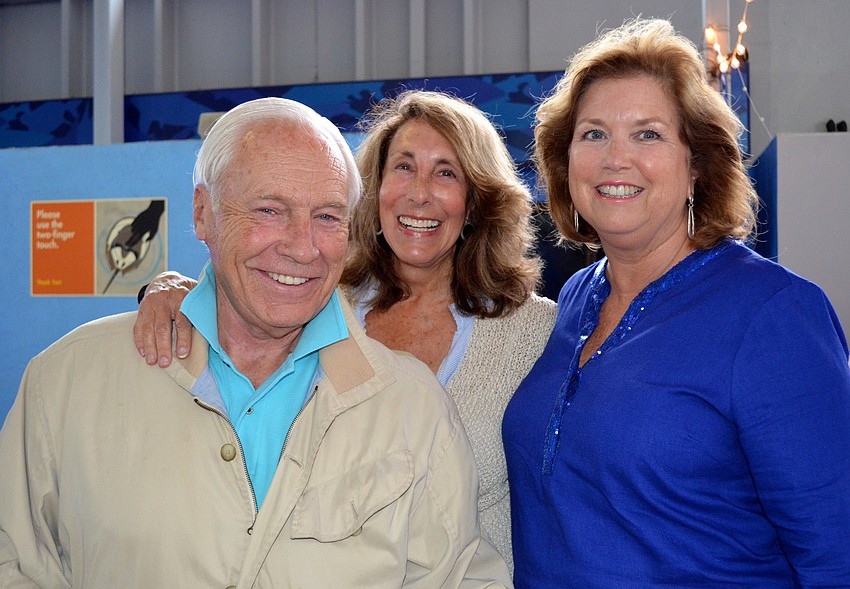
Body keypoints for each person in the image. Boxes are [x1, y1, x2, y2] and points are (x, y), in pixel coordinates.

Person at [0, 97, 514, 587]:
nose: (300, 246)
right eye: (269, 210)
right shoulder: (66, 383)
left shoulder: (415, 405)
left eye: (327, 216)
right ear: (202, 213)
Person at [131, 90, 558, 571]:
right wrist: (168, 289)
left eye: (446, 173)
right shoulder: (312, 303)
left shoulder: (535, 333)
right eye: (403, 167)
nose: (419, 192)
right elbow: (232, 297)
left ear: (477, 201)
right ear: (372, 190)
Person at [502, 18, 850, 588]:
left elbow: (836, 554)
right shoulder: (574, 299)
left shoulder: (775, 314)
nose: (616, 158)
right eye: (593, 134)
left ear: (697, 166)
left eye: (648, 134)